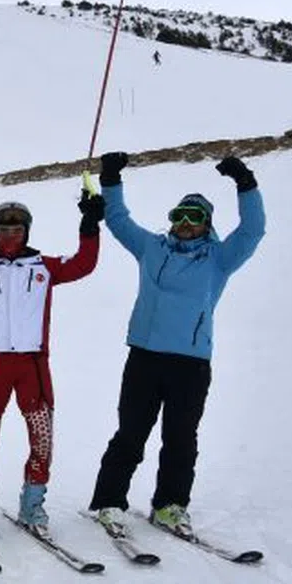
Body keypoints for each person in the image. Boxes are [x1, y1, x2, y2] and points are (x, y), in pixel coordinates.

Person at [89, 153, 265, 537]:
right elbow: (118, 221)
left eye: (194, 217)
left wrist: (245, 181)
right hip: (145, 357)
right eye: (179, 216)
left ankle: (170, 506)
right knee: (131, 432)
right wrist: (111, 177)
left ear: (206, 224)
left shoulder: (219, 259)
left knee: (181, 438)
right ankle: (108, 501)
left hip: (190, 363)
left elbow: (253, 230)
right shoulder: (152, 248)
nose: (185, 224)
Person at [0, 180, 103, 535]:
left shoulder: (42, 266)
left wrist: (90, 225)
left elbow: (84, 264)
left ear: (27, 232)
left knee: (42, 437)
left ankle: (33, 504)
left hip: (33, 365)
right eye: (4, 228)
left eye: (17, 229)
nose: (10, 234)